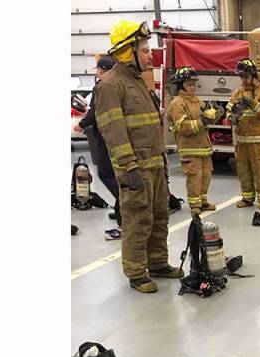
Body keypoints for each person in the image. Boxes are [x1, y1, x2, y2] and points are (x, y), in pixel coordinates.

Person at [94, 20, 181, 293]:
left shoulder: (138, 82)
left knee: (158, 216)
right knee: (137, 219)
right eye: (143, 50)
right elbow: (113, 131)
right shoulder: (111, 86)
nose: (148, 55)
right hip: (135, 169)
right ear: (126, 52)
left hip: (154, 165)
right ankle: (135, 271)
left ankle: (157, 263)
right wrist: (129, 166)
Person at [76, 55, 122, 240]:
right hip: (118, 137)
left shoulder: (103, 87)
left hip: (107, 137)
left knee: (106, 174)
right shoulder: (120, 85)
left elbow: (95, 112)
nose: (97, 72)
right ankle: (121, 209)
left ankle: (124, 208)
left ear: (102, 70)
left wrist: (81, 124)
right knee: (117, 174)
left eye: (97, 69)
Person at [227, 58, 260, 226]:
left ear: (254, 76)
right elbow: (228, 113)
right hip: (242, 142)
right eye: (242, 77)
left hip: (258, 141)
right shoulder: (237, 93)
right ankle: (247, 198)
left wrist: (252, 103)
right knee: (243, 171)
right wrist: (233, 115)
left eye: (246, 76)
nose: (244, 80)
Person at [167, 66, 219, 216]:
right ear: (180, 85)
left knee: (206, 175)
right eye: (188, 84)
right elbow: (183, 127)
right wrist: (202, 121)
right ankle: (194, 205)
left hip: (204, 146)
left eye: (193, 84)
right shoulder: (177, 103)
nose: (192, 87)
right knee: (194, 177)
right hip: (189, 148)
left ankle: (203, 201)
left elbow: (207, 119)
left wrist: (214, 114)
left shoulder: (197, 101)